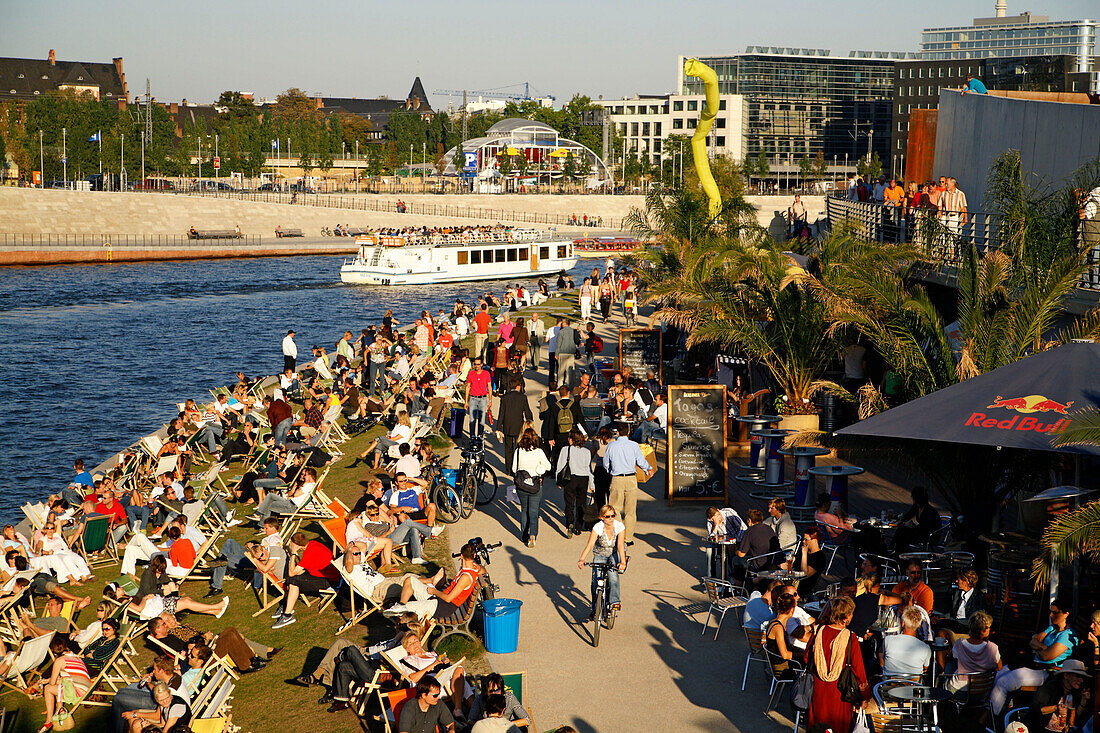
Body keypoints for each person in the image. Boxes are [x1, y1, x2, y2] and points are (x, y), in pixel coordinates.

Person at [805, 596, 871, 733]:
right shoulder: (850, 638)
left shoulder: (819, 631)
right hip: (840, 691)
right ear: (846, 617)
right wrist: (865, 695)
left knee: (818, 726)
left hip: (818, 688)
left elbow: (807, 657)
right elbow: (859, 670)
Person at [601, 426, 653, 544]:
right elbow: (640, 461)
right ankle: (628, 538)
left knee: (615, 509)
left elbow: (605, 463)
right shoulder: (634, 445)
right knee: (630, 510)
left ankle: (619, 535)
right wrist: (648, 469)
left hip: (617, 479)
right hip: (631, 479)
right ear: (628, 432)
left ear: (617, 432)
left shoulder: (611, 445)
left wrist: (611, 471)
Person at [577, 504, 626, 622]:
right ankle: (595, 610)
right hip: (599, 554)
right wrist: (582, 559)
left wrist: (622, 562)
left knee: (613, 577)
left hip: (614, 553)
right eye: (607, 516)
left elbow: (620, 545)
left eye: (612, 515)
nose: (610, 518)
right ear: (602, 517)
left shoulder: (619, 526)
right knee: (595, 582)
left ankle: (614, 602)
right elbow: (590, 545)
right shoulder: (598, 527)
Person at [33, 635, 91, 733]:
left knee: (48, 688)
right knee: (59, 681)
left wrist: (48, 681)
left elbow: (52, 683)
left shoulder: (60, 661)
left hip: (78, 692)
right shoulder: (76, 656)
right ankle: (58, 708)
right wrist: (50, 680)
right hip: (87, 688)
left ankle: (48, 720)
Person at [944, 611, 1001, 694]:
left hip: (960, 690)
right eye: (988, 627)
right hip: (982, 690)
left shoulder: (959, 644)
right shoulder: (993, 648)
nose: (990, 629)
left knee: (950, 666)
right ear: (983, 631)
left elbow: (951, 657)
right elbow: (999, 667)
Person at [512, 429, 552, 547]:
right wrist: (539, 468)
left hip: (521, 485)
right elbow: (548, 466)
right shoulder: (539, 452)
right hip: (535, 484)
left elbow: (514, 469)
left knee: (524, 510)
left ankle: (524, 534)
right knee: (533, 512)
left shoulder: (518, 451)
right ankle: (533, 535)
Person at [556, 429, 594, 536]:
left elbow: (560, 466)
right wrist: (592, 484)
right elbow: (589, 469)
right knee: (581, 503)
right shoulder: (586, 452)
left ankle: (569, 523)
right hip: (583, 478)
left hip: (570, 478)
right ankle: (578, 526)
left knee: (569, 503)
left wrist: (558, 481)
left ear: (572, 440)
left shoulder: (565, 450)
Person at [880, 606, 931, 678]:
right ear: (919, 625)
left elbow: (884, 658)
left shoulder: (888, 640)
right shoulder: (925, 648)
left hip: (890, 685)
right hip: (913, 686)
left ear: (903, 623)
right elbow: (925, 668)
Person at [765, 592, 805, 680]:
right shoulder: (778, 628)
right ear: (791, 610)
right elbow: (785, 655)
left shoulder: (774, 622)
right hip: (782, 669)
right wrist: (803, 654)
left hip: (780, 663)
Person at [496, 378, 532, 475]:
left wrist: (498, 428)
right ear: (517, 386)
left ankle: (509, 469)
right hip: (519, 427)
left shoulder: (504, 398)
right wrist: (530, 422)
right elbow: (527, 411)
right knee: (519, 448)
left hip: (507, 426)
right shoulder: (522, 397)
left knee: (508, 449)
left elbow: (501, 414)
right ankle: (518, 468)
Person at [892, 485, 941, 554]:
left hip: (929, 536)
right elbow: (907, 516)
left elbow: (925, 527)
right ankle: (896, 550)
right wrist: (896, 518)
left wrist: (910, 526)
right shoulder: (917, 506)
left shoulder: (929, 511)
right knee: (901, 530)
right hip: (921, 531)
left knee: (903, 532)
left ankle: (898, 551)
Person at [791, 529, 826, 598]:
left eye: (806, 540)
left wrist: (804, 554)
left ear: (814, 541)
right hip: (793, 579)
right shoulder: (801, 551)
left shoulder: (819, 557)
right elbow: (793, 566)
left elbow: (805, 573)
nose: (803, 541)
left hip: (804, 587)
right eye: (803, 539)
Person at [465, 357, 493, 439]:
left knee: (481, 420)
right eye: (475, 364)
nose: (476, 366)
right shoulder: (471, 374)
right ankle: (472, 437)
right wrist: (466, 401)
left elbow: (490, 387)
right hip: (473, 398)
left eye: (478, 364)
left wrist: (490, 400)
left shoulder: (486, 374)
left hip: (483, 399)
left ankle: (480, 437)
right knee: (472, 420)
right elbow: (468, 387)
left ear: (481, 365)